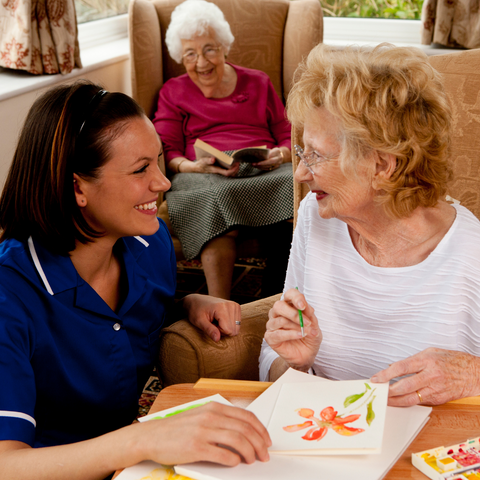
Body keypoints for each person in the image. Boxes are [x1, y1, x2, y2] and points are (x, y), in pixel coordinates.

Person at [0, 81, 271, 480]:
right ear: (77, 187)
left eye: (159, 162)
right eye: (141, 169)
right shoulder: (9, 295)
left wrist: (186, 304)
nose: (163, 183)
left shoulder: (148, 242)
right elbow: (6, 464)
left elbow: (119, 325)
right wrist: (141, 439)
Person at [259, 43, 480, 407]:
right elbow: (274, 358)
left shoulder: (469, 255)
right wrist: (294, 364)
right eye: (302, 152)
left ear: (382, 166)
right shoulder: (318, 218)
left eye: (315, 154)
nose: (299, 172)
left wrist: (472, 373)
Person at [153, 0, 293, 300]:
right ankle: (220, 306)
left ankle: (276, 298)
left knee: (297, 184)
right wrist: (192, 166)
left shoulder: (258, 81)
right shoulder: (172, 91)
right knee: (213, 195)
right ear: (181, 57)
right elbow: (167, 150)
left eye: (209, 49)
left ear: (224, 47)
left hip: (264, 171)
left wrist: (279, 155)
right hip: (204, 175)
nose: (201, 62)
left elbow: (286, 133)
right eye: (190, 53)